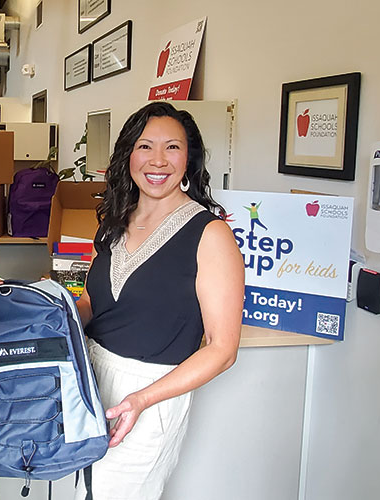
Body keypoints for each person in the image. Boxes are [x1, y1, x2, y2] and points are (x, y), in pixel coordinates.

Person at [74, 101, 244, 500]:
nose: (158, 160)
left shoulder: (210, 234)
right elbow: (93, 304)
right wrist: (47, 314)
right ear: (128, 155)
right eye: (145, 146)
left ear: (189, 159)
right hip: (89, 381)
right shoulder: (116, 218)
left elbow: (223, 349)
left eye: (172, 147)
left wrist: (142, 400)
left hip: (149, 396)